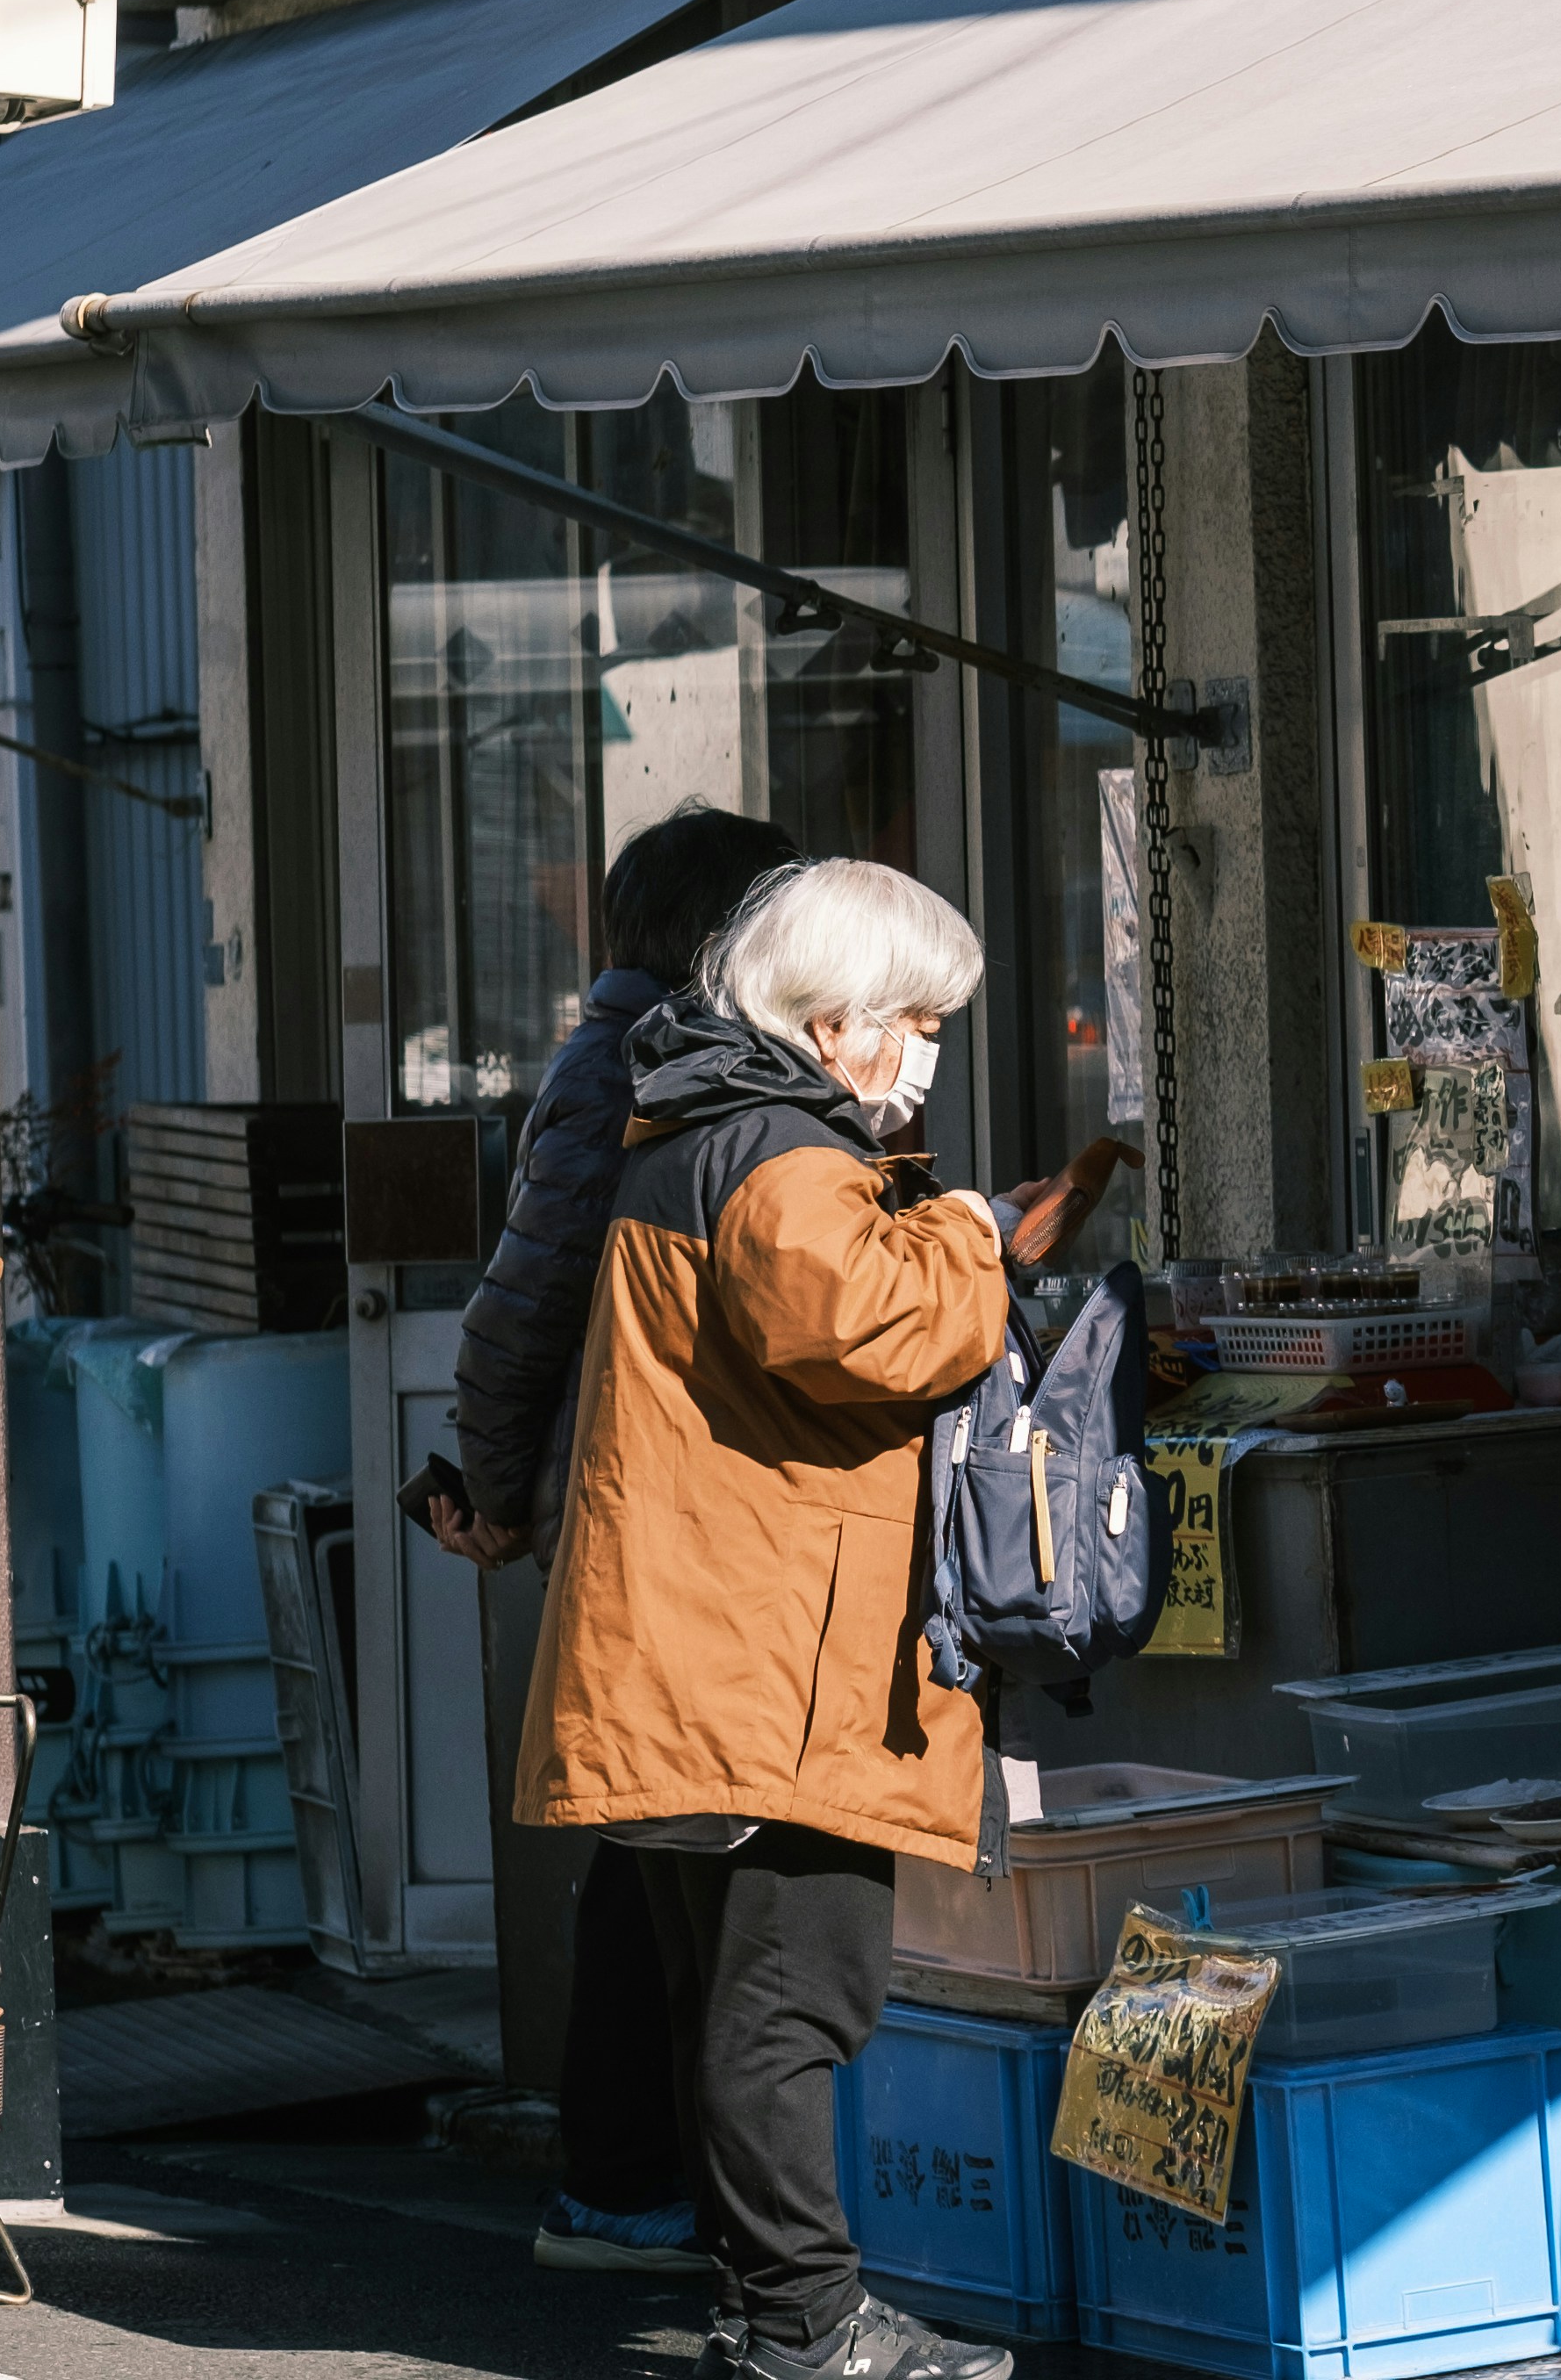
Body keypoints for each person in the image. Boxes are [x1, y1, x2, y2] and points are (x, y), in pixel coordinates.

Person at [514, 859, 1120, 2380]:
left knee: (727, 1999)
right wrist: (983, 1232)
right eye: (913, 1023)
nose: (925, 1056)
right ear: (831, 1015)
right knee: (795, 2002)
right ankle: (808, 2323)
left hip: (705, 1649)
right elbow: (869, 1328)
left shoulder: (706, 1128)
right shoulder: (780, 1157)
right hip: (766, 1663)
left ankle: (770, 2307)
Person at [429, 805, 795, 2280]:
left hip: (622, 1492)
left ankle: (636, 2176)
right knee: (659, 1865)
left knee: (657, 1859)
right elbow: (521, 1310)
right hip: (625, 1499)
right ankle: (625, 2179)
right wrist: (502, 1493)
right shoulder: (637, 1071)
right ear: (730, 938)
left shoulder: (637, 1058)